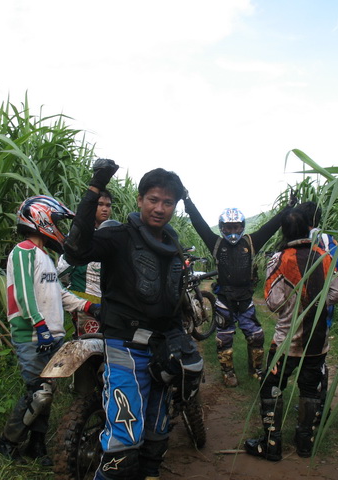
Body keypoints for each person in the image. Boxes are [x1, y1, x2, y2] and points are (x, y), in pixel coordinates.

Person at [64, 160, 201, 480]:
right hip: (125, 346)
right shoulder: (118, 237)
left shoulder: (172, 244)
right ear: (139, 200)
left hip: (162, 347)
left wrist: (179, 339)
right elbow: (76, 250)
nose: (160, 208)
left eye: (168, 202)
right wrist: (95, 187)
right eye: (153, 199)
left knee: (157, 433)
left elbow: (172, 297)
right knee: (123, 446)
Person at [0, 195, 100, 466]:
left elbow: (60, 293)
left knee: (47, 393)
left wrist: (90, 306)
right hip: (32, 335)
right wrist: (39, 326)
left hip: (51, 335)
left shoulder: (45, 257)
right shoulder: (23, 251)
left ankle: (37, 445)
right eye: (56, 221)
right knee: (38, 393)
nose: (58, 227)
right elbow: (23, 293)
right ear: (41, 219)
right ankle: (7, 442)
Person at [244, 209, 338, 461]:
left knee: (271, 387)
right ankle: (305, 442)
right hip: (318, 340)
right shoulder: (324, 256)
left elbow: (273, 302)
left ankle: (272, 443)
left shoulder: (279, 259)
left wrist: (293, 303)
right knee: (310, 389)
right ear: (309, 228)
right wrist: (315, 301)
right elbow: (336, 294)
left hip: (287, 340)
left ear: (284, 232)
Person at [183, 192, 296, 387]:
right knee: (224, 339)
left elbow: (270, 227)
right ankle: (228, 373)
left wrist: (288, 208)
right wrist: (187, 201)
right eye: (228, 227)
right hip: (224, 300)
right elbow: (199, 224)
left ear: (242, 226)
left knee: (256, 336)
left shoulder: (251, 242)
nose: (232, 231)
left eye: (236, 227)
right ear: (222, 228)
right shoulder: (216, 243)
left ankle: (256, 369)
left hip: (245, 300)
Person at [295, 201, 338, 423]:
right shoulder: (332, 242)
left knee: (305, 358)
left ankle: (313, 406)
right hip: (326, 309)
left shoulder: (301, 242)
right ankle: (317, 405)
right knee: (318, 356)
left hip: (302, 312)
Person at [57, 190, 113, 334]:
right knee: (86, 342)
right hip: (83, 303)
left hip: (106, 304)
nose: (105, 209)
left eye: (108, 205)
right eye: (100, 204)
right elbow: (62, 271)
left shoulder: (113, 237)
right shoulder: (79, 236)